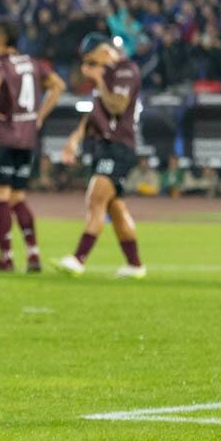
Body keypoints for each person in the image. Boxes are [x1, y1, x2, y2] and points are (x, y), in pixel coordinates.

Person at [56, 33, 146, 279]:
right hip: (104, 145)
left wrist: (99, 81)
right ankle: (134, 264)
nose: (88, 66)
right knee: (115, 207)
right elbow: (95, 113)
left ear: (106, 52)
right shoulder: (105, 76)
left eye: (91, 59)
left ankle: (78, 259)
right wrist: (75, 139)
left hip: (119, 145)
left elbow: (118, 105)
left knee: (96, 198)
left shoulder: (126, 70)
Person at [0, 19, 65, 272]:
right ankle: (33, 253)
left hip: (2, 135)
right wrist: (39, 116)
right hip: (27, 139)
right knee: (18, 197)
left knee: (0, 197)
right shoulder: (31, 62)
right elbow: (58, 86)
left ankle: (6, 258)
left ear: (1, 37)